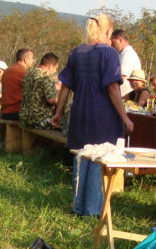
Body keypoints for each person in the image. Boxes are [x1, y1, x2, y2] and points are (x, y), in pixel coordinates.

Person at [52, 14, 134, 217]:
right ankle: (91, 211)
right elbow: (113, 87)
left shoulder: (77, 52)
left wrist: (58, 112)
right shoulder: (109, 53)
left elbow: (65, 86)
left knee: (81, 157)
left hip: (80, 113)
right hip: (102, 115)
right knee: (98, 158)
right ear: (107, 31)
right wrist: (124, 117)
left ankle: (78, 206)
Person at [20, 52, 60, 129]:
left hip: (24, 119)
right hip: (39, 120)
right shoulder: (46, 76)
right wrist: (59, 92)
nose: (55, 71)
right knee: (66, 126)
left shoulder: (28, 75)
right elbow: (51, 100)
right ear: (50, 66)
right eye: (55, 68)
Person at [0, 48, 34, 122]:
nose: (33, 61)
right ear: (25, 60)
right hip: (17, 112)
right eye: (32, 58)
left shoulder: (7, 71)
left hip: (4, 112)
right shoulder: (23, 73)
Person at [110, 29, 142, 97]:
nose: (112, 45)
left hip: (126, 95)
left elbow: (121, 77)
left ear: (120, 40)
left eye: (113, 42)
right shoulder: (122, 54)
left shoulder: (127, 54)